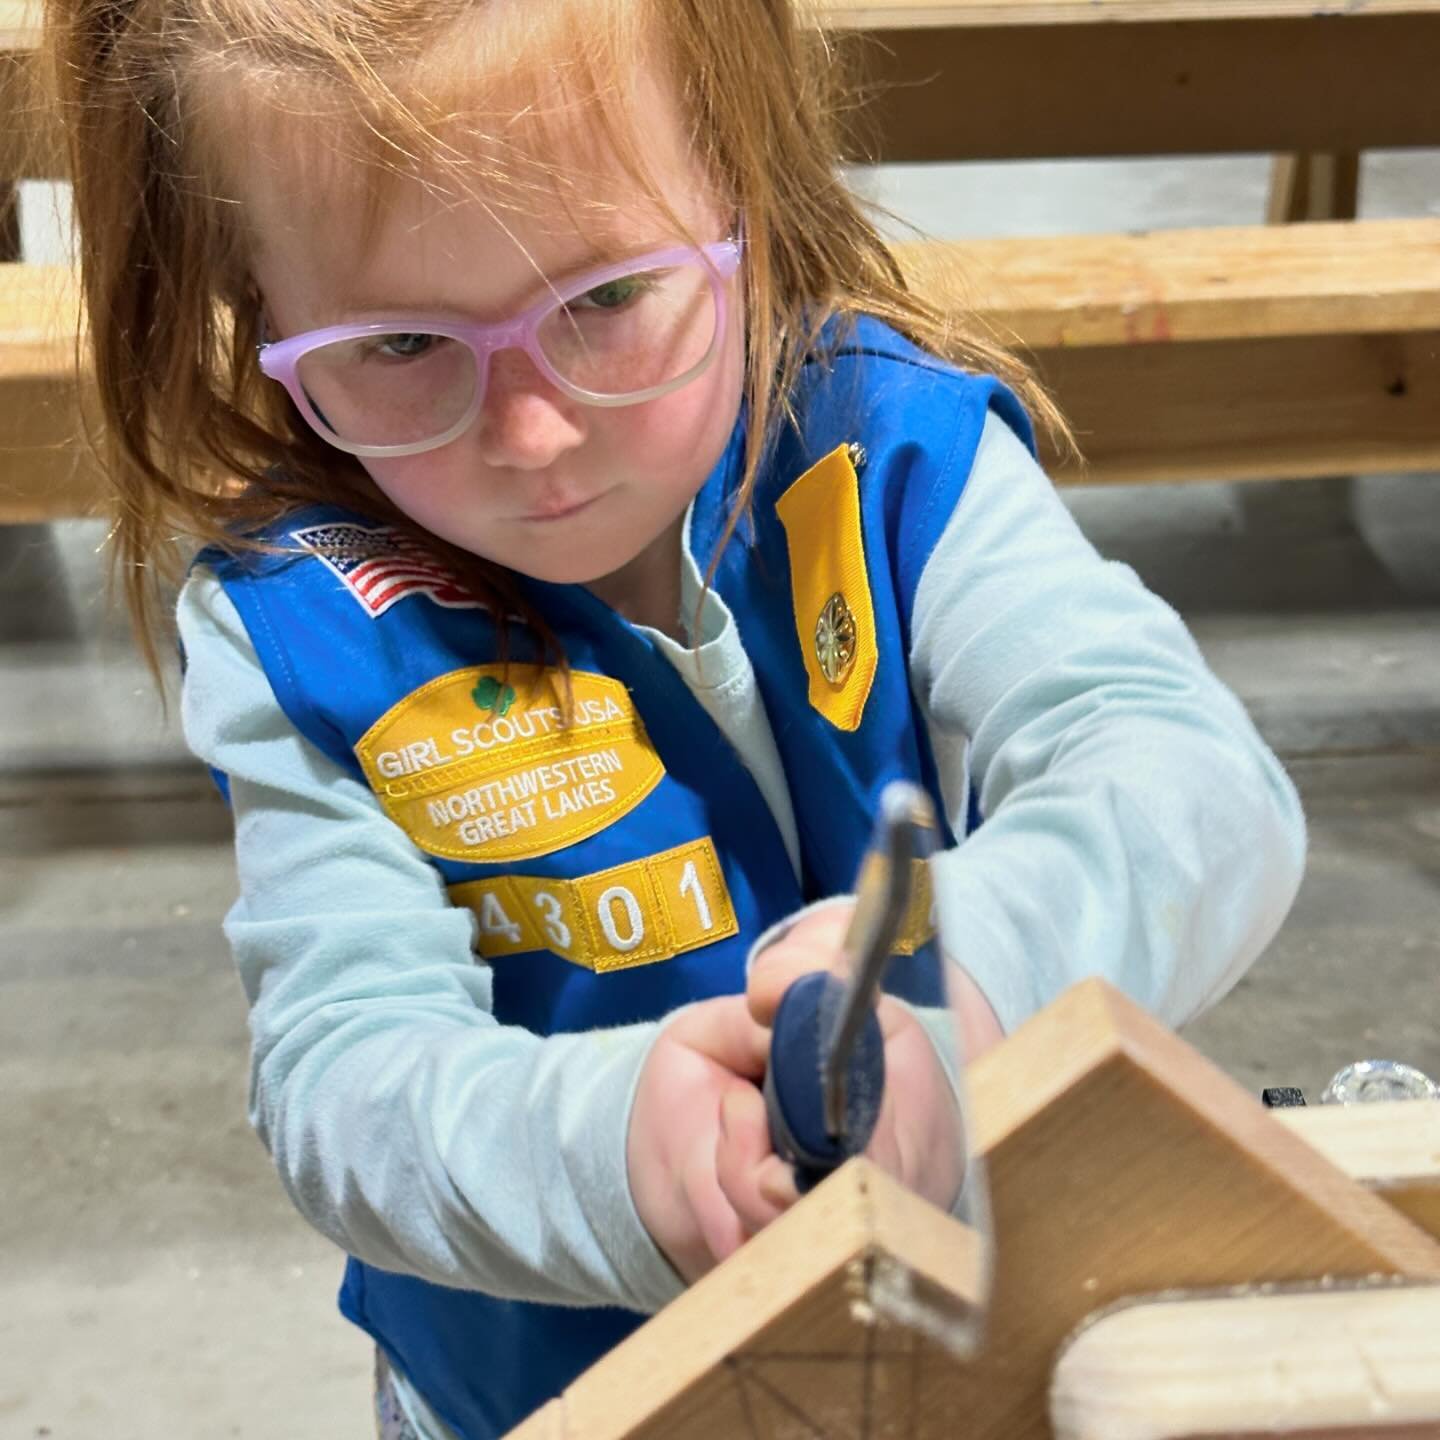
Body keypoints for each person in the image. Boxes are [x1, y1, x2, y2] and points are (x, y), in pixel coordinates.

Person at [45, 0, 1306, 1434]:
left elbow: (1190, 780)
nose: (533, 436)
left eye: (605, 298)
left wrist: (967, 969)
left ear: (741, 187)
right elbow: (344, 1081)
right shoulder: (303, 628)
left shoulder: (886, 456)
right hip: (532, 1397)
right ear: (255, 309)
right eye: (397, 343)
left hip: (942, 1349)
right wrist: (618, 1152)